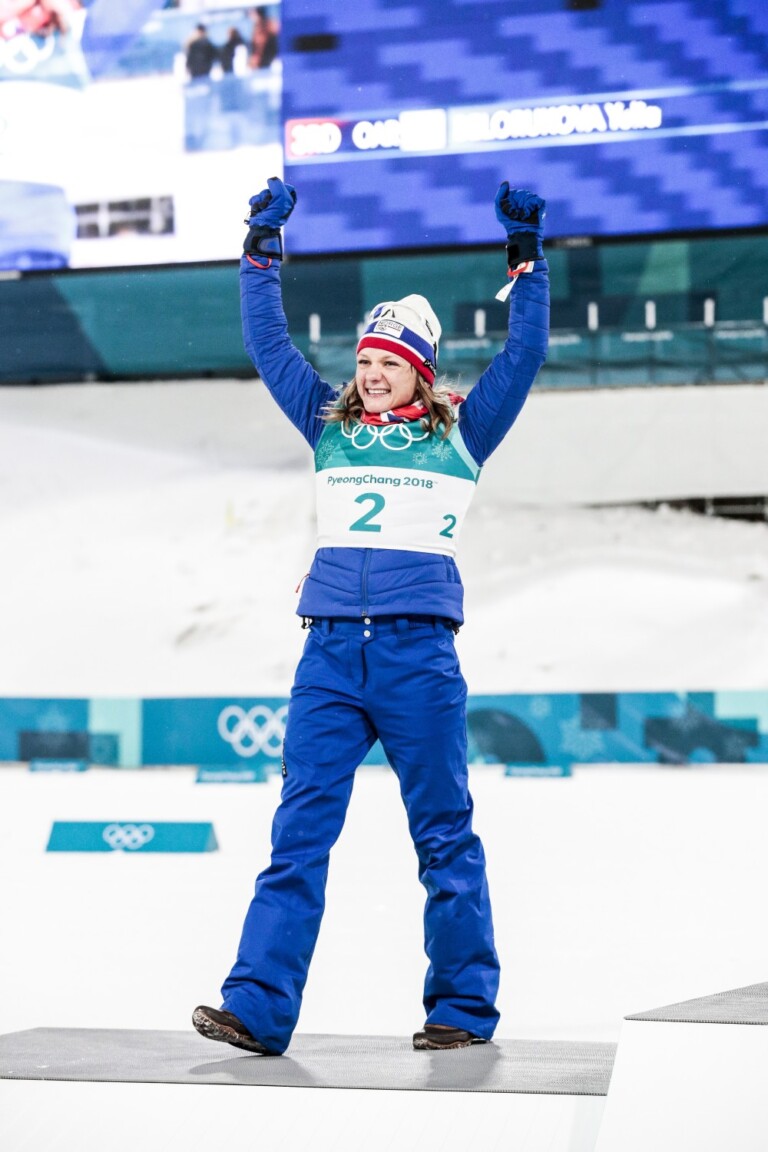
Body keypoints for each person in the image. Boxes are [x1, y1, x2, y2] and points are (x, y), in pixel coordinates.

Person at [193, 177, 550, 1055]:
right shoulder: (326, 422)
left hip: (416, 656)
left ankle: (461, 1010)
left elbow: (526, 352)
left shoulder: (462, 434)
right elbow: (267, 340)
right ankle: (256, 1008)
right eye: (363, 360)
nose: (370, 373)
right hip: (327, 658)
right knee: (297, 837)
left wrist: (526, 259)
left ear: (419, 372)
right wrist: (260, 251)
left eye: (388, 362)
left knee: (443, 837)